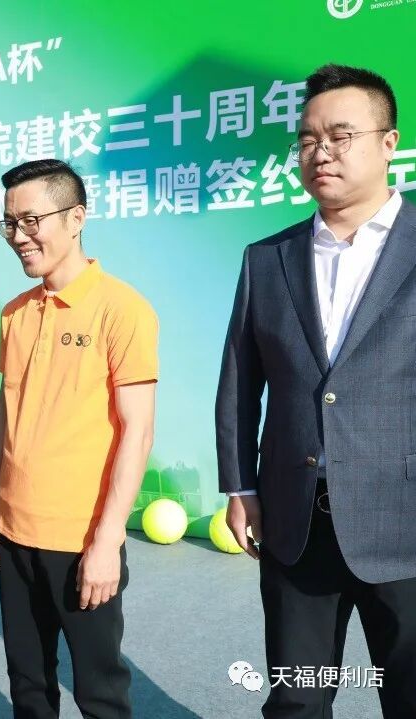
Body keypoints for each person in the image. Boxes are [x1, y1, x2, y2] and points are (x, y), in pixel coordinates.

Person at [217, 64, 416, 718]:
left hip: (404, 521)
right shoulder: (266, 258)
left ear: (388, 142)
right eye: (307, 139)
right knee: (295, 699)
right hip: (295, 518)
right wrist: (240, 487)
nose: (320, 152)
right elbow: (240, 380)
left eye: (339, 135)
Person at [0, 159, 158, 719]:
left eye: (31, 221)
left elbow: (137, 431)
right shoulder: (15, 313)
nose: (18, 236)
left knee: (100, 692)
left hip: (81, 538)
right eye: (9, 223)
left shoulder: (121, 309)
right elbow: (5, 414)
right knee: (28, 684)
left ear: (76, 218)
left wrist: (107, 541)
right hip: (14, 534)